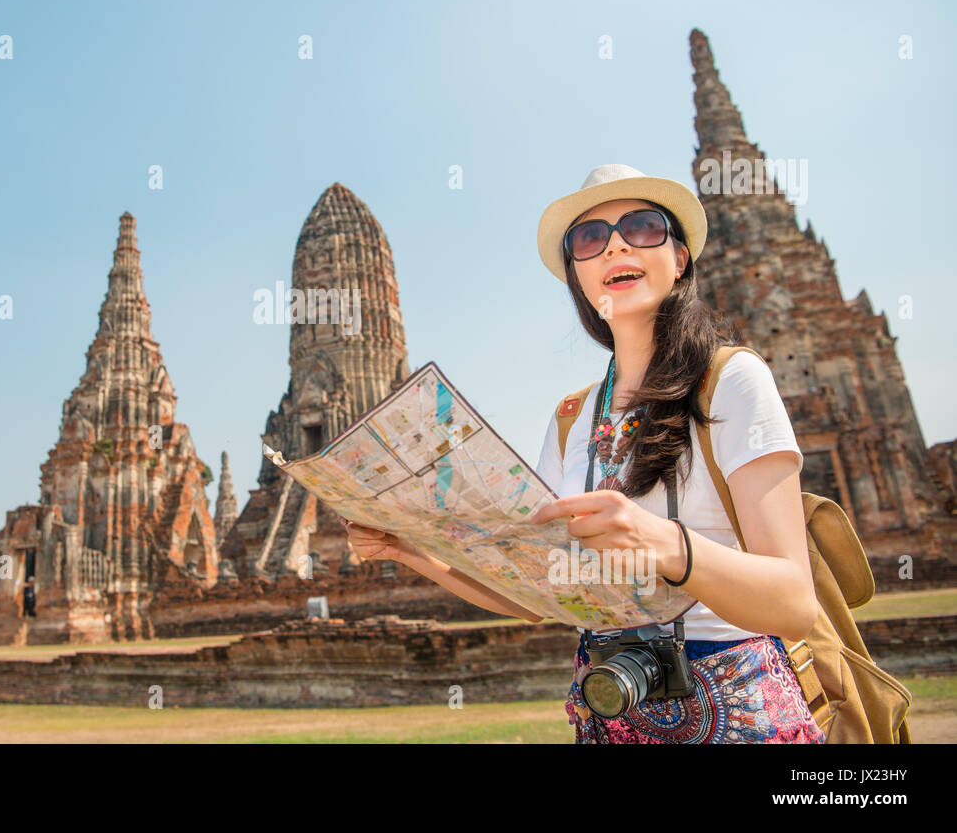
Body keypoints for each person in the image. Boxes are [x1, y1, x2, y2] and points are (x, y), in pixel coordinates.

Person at [344, 164, 825, 744]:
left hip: (733, 706)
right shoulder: (572, 417)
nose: (617, 243)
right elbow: (529, 593)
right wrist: (409, 546)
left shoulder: (730, 380)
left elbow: (795, 601)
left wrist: (664, 543)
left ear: (679, 260)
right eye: (590, 238)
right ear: (578, 277)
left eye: (644, 227)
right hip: (610, 702)